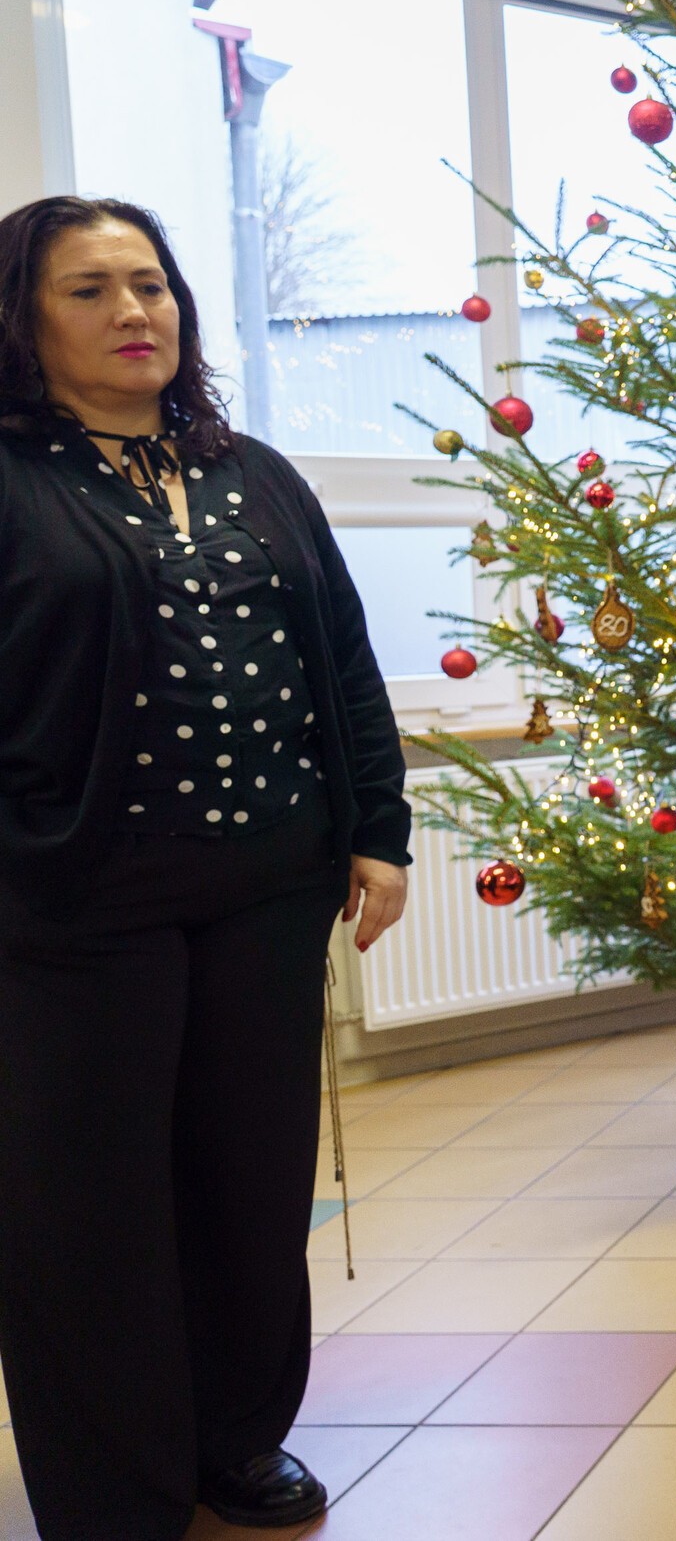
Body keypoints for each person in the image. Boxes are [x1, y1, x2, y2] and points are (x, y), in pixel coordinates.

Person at [0, 197, 413, 1538]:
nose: (135, 312)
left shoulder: (257, 473)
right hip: (75, 909)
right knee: (89, 1209)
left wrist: (379, 827)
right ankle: (114, 1486)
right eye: (89, 290)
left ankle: (234, 1440)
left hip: (268, 892)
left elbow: (341, 655)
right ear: (23, 320)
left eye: (152, 283)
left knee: (248, 1186)